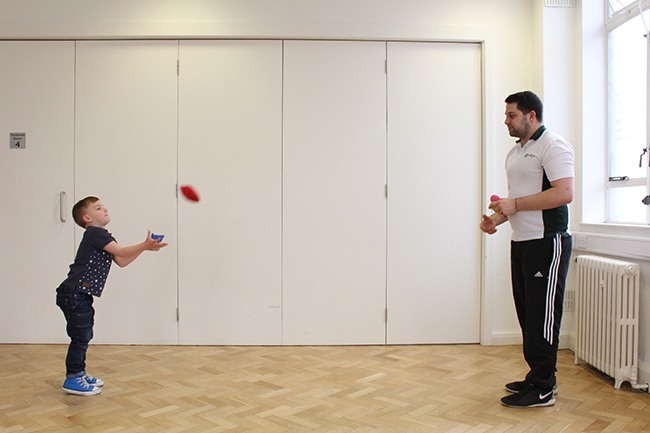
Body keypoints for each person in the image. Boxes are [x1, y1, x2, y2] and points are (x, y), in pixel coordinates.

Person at [480, 91, 574, 408]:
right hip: (521, 242)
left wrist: (514, 205)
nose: (506, 120)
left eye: (511, 114)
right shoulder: (516, 153)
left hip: (548, 242)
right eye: (506, 115)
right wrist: (496, 219)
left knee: (542, 317)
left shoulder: (553, 146)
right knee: (527, 315)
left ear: (531, 115)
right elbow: (517, 201)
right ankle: (538, 375)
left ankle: (544, 387)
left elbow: (564, 193)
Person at [56, 196, 168, 396]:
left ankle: (79, 372)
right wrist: (144, 245)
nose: (105, 209)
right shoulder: (94, 234)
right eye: (98, 208)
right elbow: (121, 251)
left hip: (80, 295)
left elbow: (122, 260)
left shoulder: (104, 235)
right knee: (81, 336)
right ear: (87, 218)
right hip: (73, 294)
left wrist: (145, 248)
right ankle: (72, 377)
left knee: (84, 335)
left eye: (104, 206)